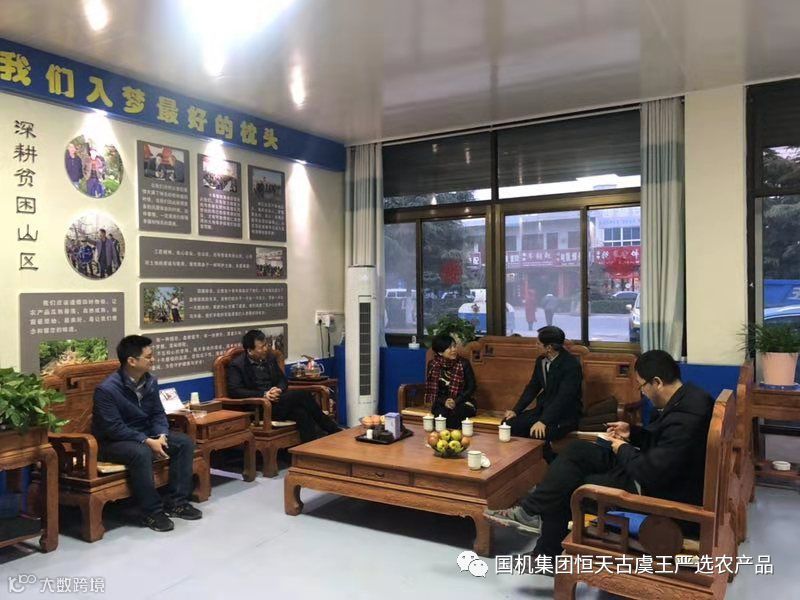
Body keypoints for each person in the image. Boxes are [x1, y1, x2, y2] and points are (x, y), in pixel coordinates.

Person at [485, 350, 714, 558]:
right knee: (577, 450)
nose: (642, 393)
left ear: (657, 382)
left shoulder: (687, 416)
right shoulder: (689, 397)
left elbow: (651, 472)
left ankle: (545, 551)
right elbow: (664, 444)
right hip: (654, 470)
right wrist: (632, 433)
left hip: (659, 491)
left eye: (642, 386)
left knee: (569, 483)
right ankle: (530, 513)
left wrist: (621, 447)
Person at [92, 335, 202, 532]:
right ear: (132, 361)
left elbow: (158, 413)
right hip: (113, 442)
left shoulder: (150, 381)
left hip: (145, 434)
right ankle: (152, 512)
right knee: (141, 452)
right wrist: (146, 440)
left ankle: (176, 502)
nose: (153, 360)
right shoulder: (107, 390)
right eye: (149, 357)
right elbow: (113, 428)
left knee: (184, 442)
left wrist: (161, 435)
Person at [226, 330, 341, 442]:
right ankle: (332, 429)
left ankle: (310, 448)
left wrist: (278, 389)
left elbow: (282, 380)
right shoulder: (237, 365)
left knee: (301, 413)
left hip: (278, 402)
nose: (266, 349)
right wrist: (264, 394)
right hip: (260, 408)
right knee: (303, 395)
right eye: (262, 347)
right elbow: (235, 391)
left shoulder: (269, 358)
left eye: (266, 345)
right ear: (250, 350)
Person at [503, 326, 582, 460]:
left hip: (564, 414)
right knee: (508, 424)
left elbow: (563, 398)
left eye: (538, 343)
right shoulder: (541, 361)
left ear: (549, 347)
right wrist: (516, 410)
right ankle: (519, 463)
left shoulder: (571, 365)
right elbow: (532, 387)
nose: (536, 345)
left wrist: (544, 421)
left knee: (538, 432)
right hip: (543, 409)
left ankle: (547, 464)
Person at [424, 334, 477, 429]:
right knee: (440, 414)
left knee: (455, 414)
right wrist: (444, 401)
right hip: (441, 402)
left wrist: (455, 401)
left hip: (463, 401)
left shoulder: (463, 363)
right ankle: (440, 436)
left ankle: (455, 436)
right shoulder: (433, 365)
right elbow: (432, 391)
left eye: (454, 346)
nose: (454, 350)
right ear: (440, 352)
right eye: (449, 348)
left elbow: (471, 387)